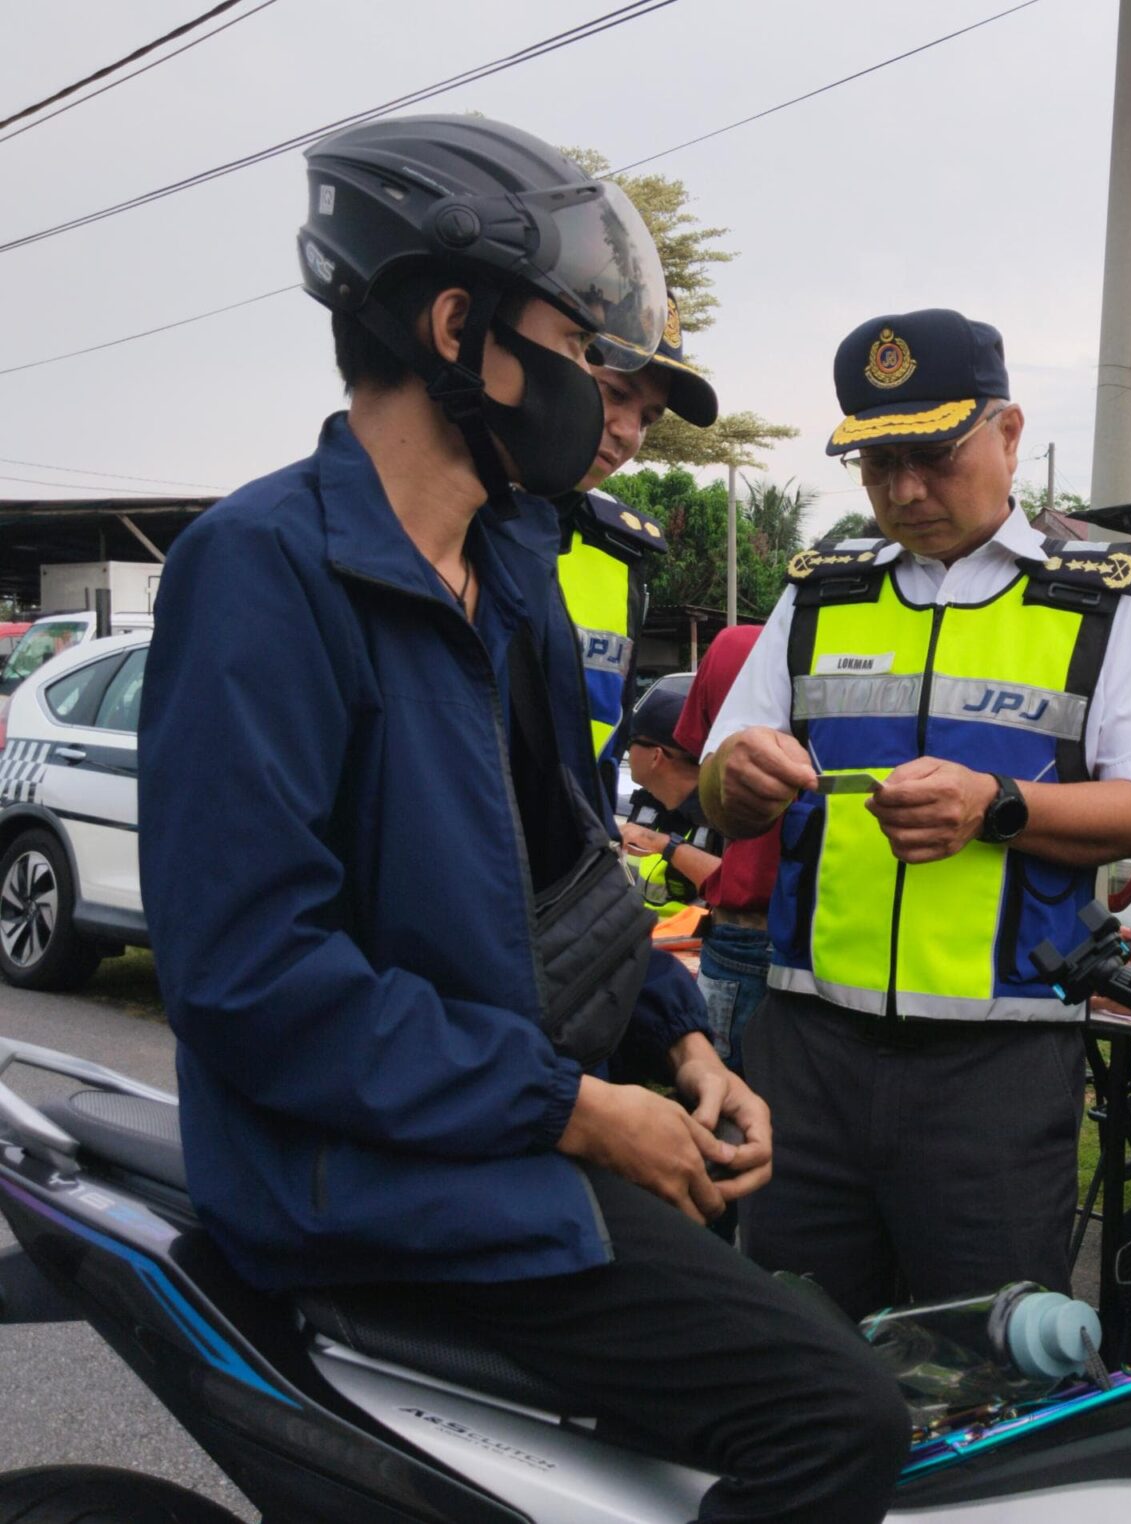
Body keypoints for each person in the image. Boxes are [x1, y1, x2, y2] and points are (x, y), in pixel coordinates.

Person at [138, 113, 904, 1522]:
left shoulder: (516, 572)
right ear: (456, 327)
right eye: (595, 355)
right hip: (368, 1183)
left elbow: (567, 878)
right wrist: (575, 1114)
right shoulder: (260, 572)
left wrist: (674, 1037)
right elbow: (249, 978)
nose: (622, 404)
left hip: (499, 1129)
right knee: (839, 1420)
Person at [699, 308, 1131, 1316]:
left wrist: (997, 808)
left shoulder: (1099, 602)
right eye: (876, 465)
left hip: (996, 1060)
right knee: (797, 1336)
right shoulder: (820, 594)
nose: (906, 491)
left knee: (982, 1354)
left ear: (1008, 434)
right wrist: (735, 779)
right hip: (808, 1047)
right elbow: (718, 782)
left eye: (931, 455)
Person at [560, 291, 720, 800]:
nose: (628, 432)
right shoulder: (440, 519)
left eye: (648, 418)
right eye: (614, 393)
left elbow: (606, 741)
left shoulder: (619, 551)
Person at [672, 623, 778, 1071]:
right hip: (862, 943)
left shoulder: (736, 645)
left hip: (749, 927)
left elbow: (697, 775)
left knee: (722, 1109)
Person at [619, 675, 722, 916]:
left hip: (697, 947)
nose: (627, 751)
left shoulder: (727, 812)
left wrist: (665, 846)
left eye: (632, 741)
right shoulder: (650, 804)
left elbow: (740, 884)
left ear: (656, 756)